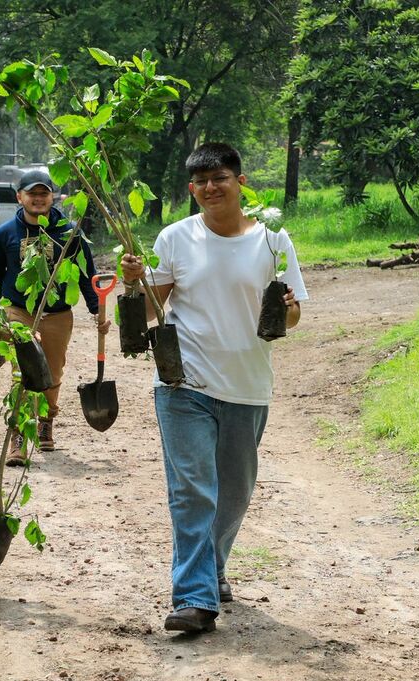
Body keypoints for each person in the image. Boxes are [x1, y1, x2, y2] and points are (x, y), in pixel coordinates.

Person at [119, 142, 308, 633]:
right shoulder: (175, 239)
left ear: (240, 182)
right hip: (184, 382)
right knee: (192, 490)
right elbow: (147, 314)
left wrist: (281, 308)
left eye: (219, 178)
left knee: (235, 492)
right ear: (191, 189)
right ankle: (195, 597)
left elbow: (293, 314)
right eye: (201, 182)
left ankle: (213, 566)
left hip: (247, 384)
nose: (210, 188)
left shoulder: (272, 241)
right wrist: (135, 284)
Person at [0, 168, 108, 460]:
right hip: (18, 312)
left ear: (53, 197)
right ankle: (17, 434)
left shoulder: (69, 233)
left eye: (44, 194)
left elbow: (85, 275)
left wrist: (96, 311)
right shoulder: (5, 235)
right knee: (22, 373)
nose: (38, 199)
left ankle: (45, 423)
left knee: (52, 373)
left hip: (58, 315)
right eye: (32, 194)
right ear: (20, 197)